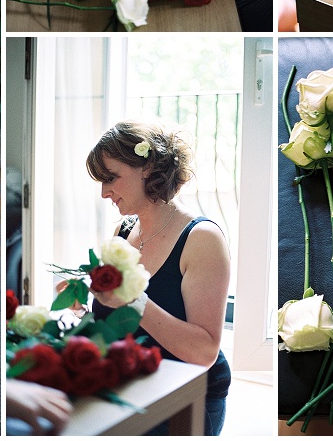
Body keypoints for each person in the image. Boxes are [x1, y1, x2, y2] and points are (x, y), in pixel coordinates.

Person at [85, 121, 231, 436]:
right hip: (133, 387)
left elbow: (204, 351)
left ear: (148, 168)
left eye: (110, 178)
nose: (104, 192)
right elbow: (117, 322)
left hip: (186, 399)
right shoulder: (122, 232)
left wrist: (134, 300)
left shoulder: (202, 239)